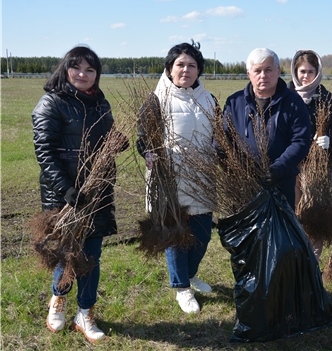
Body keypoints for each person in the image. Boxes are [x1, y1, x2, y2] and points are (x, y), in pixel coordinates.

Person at [32, 46, 117, 342]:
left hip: (97, 192)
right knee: (69, 253)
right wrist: (65, 188)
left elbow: (107, 138)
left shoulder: (100, 103)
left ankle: (85, 311)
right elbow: (44, 151)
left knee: (92, 253)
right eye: (77, 68)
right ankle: (58, 301)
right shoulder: (52, 103)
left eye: (90, 70)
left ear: (97, 75)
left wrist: (116, 143)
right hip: (65, 194)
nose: (83, 74)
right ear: (66, 69)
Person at [136, 41, 217, 314]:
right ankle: (182, 288)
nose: (186, 70)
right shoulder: (155, 99)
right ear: (169, 68)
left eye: (192, 65)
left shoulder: (210, 99)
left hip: (202, 178)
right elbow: (143, 139)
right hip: (169, 180)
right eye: (180, 64)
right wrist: (148, 153)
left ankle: (191, 273)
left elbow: (218, 136)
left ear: (199, 70)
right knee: (175, 234)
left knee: (203, 234)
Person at [223, 47, 312, 209]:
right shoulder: (234, 103)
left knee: (280, 233)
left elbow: (301, 141)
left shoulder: (294, 103)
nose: (263, 75)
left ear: (278, 72)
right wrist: (237, 169)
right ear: (249, 74)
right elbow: (224, 139)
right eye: (257, 70)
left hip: (281, 184)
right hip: (244, 186)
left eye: (268, 70)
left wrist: (278, 168)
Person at [287, 49, 332, 259]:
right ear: (295, 71)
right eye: (302, 71)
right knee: (294, 211)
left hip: (315, 166)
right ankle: (296, 256)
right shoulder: (286, 96)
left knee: (314, 211)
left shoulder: (326, 98)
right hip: (291, 164)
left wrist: (329, 138)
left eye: (310, 71)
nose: (305, 76)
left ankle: (313, 260)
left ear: (317, 72)